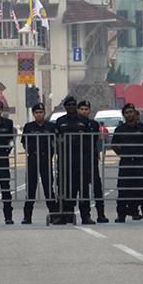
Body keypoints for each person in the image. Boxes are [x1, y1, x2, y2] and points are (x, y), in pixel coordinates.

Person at [111, 103, 143, 223]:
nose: (129, 114)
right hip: (125, 163)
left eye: (131, 112)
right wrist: (123, 154)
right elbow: (114, 145)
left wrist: (140, 152)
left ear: (135, 113)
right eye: (127, 112)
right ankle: (121, 215)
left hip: (140, 163)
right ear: (124, 115)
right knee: (123, 189)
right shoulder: (120, 129)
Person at [55, 95, 93, 224]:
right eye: (68, 105)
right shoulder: (60, 121)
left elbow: (90, 139)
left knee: (83, 189)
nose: (71, 107)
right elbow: (56, 139)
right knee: (64, 189)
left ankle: (85, 216)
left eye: (73, 105)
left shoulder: (83, 120)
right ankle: (65, 215)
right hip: (65, 160)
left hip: (81, 159)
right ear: (65, 107)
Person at [21, 103, 57, 225]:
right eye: (36, 112)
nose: (39, 114)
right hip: (33, 159)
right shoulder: (28, 127)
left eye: (41, 112)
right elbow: (24, 142)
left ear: (44, 113)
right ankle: (27, 216)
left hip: (46, 159)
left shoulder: (51, 126)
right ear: (33, 114)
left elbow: (56, 142)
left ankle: (54, 215)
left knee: (48, 188)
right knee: (31, 188)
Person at [78, 101, 109, 222]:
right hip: (80, 160)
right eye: (82, 109)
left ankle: (101, 214)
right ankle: (86, 215)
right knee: (83, 189)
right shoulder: (76, 124)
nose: (84, 111)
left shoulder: (94, 124)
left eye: (86, 109)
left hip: (91, 159)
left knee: (97, 188)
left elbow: (94, 139)